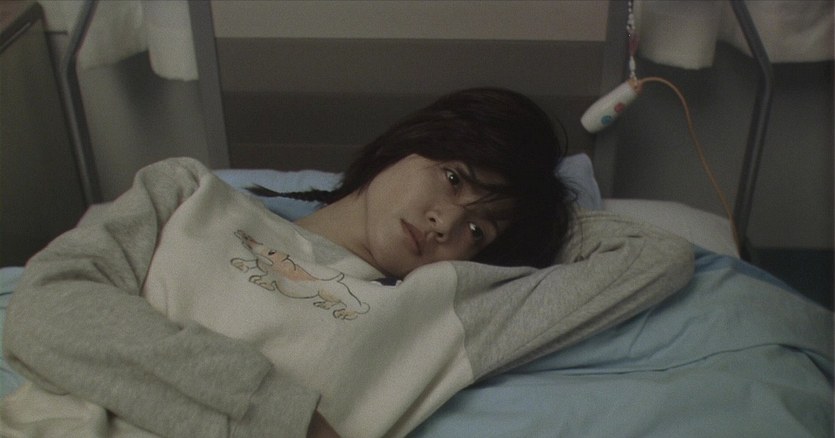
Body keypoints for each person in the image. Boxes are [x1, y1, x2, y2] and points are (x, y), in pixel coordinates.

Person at [1, 88, 694, 438]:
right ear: (410, 142)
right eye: (453, 178)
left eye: (477, 228)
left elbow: (653, 256)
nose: (446, 223)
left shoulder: (446, 309)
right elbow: (44, 310)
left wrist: (538, 208)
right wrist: (285, 417)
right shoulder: (185, 193)